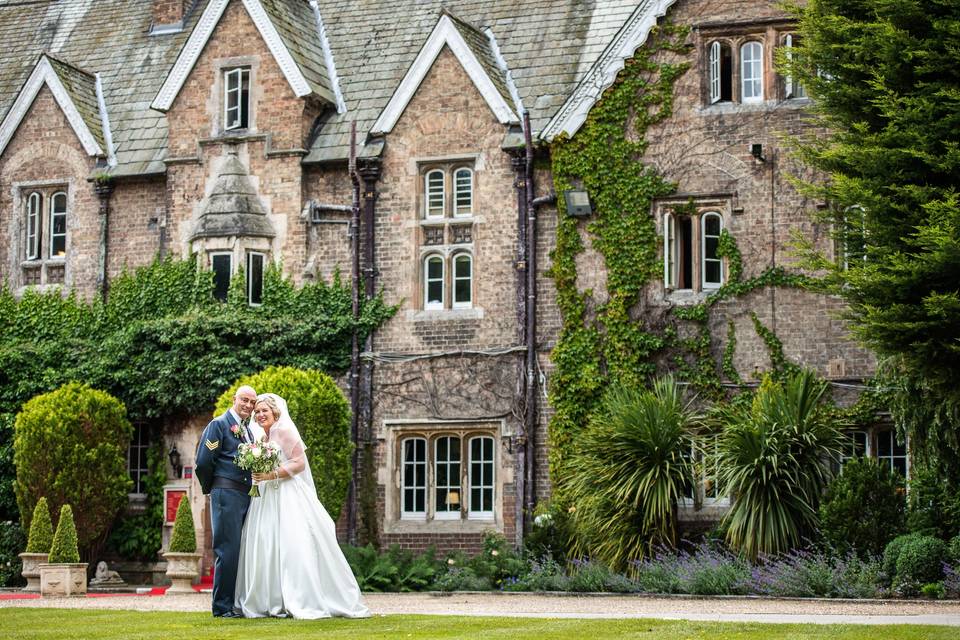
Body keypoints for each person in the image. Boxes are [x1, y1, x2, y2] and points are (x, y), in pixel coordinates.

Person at [235, 393, 370, 619]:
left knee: (292, 544)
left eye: (264, 411)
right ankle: (269, 599)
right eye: (257, 412)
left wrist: (271, 475)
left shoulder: (284, 431)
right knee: (265, 542)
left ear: (275, 411)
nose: (259, 415)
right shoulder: (260, 438)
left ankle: (300, 598)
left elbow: (299, 463)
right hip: (265, 497)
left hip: (287, 494)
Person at [195, 385, 261, 618]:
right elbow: (203, 462)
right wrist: (211, 488)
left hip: (244, 495)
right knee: (227, 550)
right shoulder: (219, 425)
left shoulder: (247, 431)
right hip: (226, 493)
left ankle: (233, 603)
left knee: (238, 550)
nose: (249, 405)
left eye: (252, 402)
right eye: (245, 400)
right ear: (234, 399)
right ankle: (221, 607)